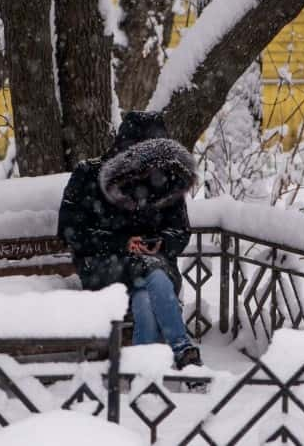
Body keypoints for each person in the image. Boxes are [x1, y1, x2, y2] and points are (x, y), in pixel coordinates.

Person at [57, 110, 202, 369]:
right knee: (152, 275)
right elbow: (70, 232)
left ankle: (140, 371)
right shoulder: (88, 175)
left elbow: (180, 231)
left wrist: (161, 242)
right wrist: (121, 243)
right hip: (105, 266)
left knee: (146, 296)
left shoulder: (166, 179)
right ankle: (182, 349)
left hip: (153, 265)